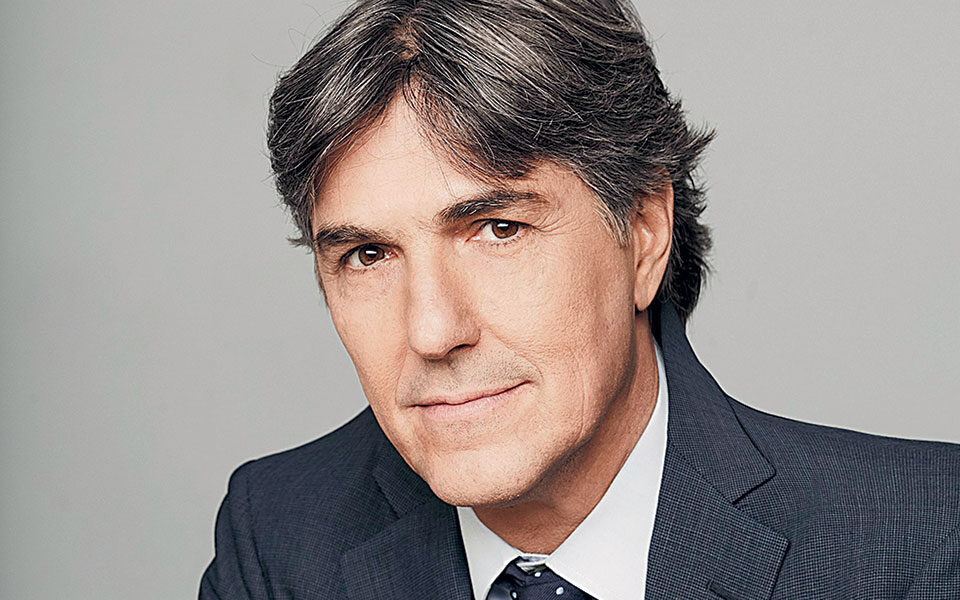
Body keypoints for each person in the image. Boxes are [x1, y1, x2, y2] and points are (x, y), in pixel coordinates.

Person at [199, 1, 960, 598]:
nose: (432, 330)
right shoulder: (278, 536)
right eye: (368, 255)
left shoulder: (923, 541)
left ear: (645, 233)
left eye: (499, 229)